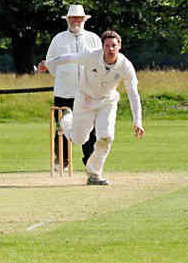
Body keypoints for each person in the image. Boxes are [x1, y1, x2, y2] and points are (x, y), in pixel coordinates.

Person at [37, 30, 144, 185]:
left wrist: (138, 121)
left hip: (107, 101)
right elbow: (68, 58)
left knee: (106, 137)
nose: (110, 49)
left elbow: (133, 94)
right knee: (79, 139)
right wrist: (48, 64)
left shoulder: (125, 65)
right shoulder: (91, 56)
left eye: (114, 45)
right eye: (107, 46)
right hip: (85, 99)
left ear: (119, 46)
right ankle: (66, 120)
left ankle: (94, 173)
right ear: (103, 46)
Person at [43, 5, 102, 171]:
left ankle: (90, 162)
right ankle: (62, 161)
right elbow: (51, 64)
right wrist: (65, 77)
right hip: (64, 92)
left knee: (90, 128)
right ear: (68, 20)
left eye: (79, 18)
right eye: (73, 18)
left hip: (88, 92)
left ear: (84, 20)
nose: (76, 21)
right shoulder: (58, 39)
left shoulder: (93, 39)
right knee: (63, 127)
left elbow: (99, 63)